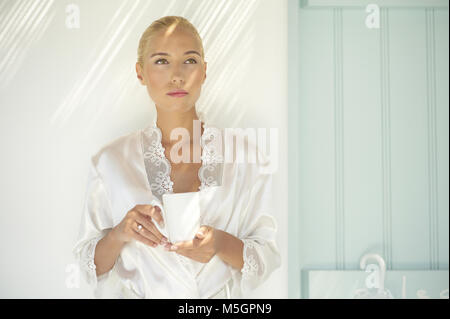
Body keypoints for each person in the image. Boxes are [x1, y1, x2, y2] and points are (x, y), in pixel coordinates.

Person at [72, 15, 280, 299]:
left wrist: (220, 243)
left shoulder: (246, 157)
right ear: (140, 72)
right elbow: (89, 267)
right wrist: (120, 233)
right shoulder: (110, 162)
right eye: (161, 61)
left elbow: (267, 255)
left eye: (190, 60)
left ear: (204, 71)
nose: (177, 75)